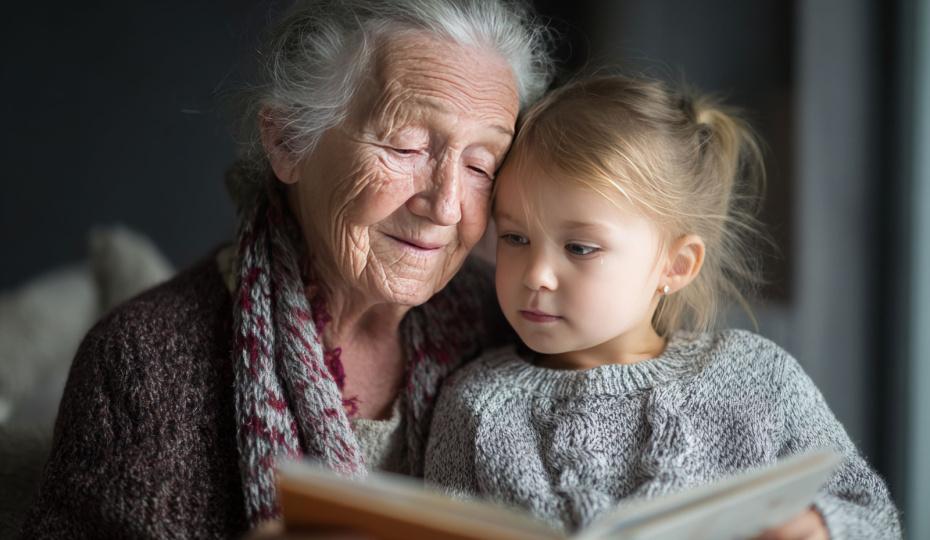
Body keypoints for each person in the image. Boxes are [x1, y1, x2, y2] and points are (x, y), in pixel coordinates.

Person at [21, 0, 554, 537]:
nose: (446, 206)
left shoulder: (514, 329)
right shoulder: (142, 364)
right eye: (405, 146)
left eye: (481, 165)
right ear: (288, 141)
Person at [424, 74, 902, 540]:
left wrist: (823, 527)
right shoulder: (475, 406)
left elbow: (873, 515)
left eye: (580, 248)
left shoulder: (758, 379)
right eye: (515, 238)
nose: (536, 275)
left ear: (676, 265)